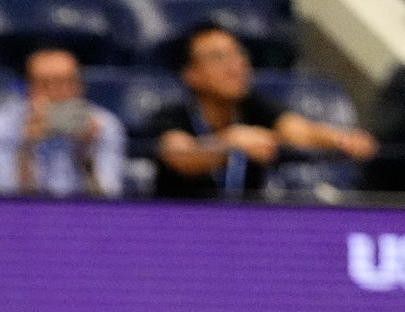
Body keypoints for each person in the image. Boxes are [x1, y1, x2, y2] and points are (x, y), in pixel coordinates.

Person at [149, 22, 378, 200]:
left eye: (237, 54)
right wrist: (229, 143)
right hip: (180, 230)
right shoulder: (170, 116)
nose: (234, 66)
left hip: (246, 229)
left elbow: (297, 131)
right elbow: (181, 155)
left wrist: (341, 139)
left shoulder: (254, 106)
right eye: (218, 57)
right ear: (191, 73)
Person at [0, 47, 126, 198]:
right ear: (28, 87)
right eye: (45, 84)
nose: (57, 92)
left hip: (80, 212)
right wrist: (27, 147)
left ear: (80, 86)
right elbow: (5, 200)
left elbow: (108, 199)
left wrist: (85, 154)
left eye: (66, 82)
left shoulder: (105, 125)